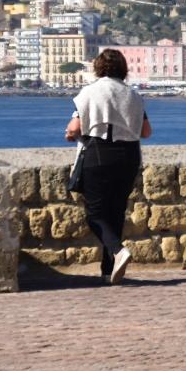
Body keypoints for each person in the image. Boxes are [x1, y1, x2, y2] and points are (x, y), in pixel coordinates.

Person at [64, 48, 152, 285]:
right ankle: (108, 270)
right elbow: (146, 131)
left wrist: (71, 134)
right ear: (123, 69)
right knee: (115, 212)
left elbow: (74, 127)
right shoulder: (133, 95)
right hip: (129, 156)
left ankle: (118, 251)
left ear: (98, 67)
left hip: (99, 153)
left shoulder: (90, 92)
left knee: (95, 214)